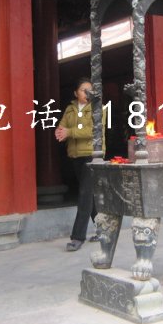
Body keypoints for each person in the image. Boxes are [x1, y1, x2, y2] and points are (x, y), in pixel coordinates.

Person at [55, 77, 105, 252]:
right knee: (89, 195)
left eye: (90, 90)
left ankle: (77, 237)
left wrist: (70, 132)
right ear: (76, 93)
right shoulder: (70, 109)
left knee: (84, 195)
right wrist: (61, 132)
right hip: (76, 155)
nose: (87, 93)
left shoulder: (98, 108)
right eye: (84, 90)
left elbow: (94, 130)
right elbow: (62, 126)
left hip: (93, 156)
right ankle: (103, 230)